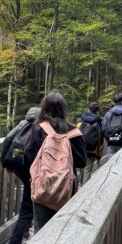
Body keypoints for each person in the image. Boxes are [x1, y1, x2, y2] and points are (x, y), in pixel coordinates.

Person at [24, 92, 87, 232]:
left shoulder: (39, 128)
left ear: (44, 107)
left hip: (42, 187)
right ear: (64, 109)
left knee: (41, 230)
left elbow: (28, 156)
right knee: (62, 231)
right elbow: (82, 161)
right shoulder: (73, 131)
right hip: (66, 190)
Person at [1, 106, 40, 244]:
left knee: (29, 202)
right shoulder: (42, 128)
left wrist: (5, 163)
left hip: (19, 167)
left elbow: (7, 140)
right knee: (27, 209)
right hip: (34, 170)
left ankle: (24, 232)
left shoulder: (22, 124)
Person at [76, 102, 104, 185]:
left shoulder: (79, 120)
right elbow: (100, 140)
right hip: (91, 151)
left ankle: (78, 187)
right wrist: (99, 155)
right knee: (87, 170)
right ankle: (84, 192)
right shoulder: (98, 123)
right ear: (97, 111)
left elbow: (75, 135)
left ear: (88, 109)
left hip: (80, 150)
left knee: (80, 169)